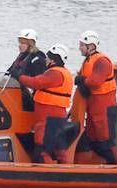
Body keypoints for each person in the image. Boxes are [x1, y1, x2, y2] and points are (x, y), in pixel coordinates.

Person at [19, 43, 75, 162]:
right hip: (57, 116)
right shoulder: (63, 73)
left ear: (54, 60)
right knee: (59, 149)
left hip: (49, 118)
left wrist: (20, 77)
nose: (46, 60)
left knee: (41, 152)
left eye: (48, 58)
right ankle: (66, 174)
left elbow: (36, 83)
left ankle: (51, 176)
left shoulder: (55, 73)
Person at [76, 30, 117, 164]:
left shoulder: (102, 61)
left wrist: (82, 80)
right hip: (93, 105)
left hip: (105, 105)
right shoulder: (88, 61)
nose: (79, 47)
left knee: (106, 139)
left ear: (90, 46)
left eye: (82, 45)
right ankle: (104, 164)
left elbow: (95, 81)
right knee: (92, 138)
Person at [7, 29, 48, 157]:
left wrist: (20, 78)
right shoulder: (21, 56)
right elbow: (9, 72)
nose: (20, 45)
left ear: (31, 43)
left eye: (23, 42)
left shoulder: (38, 58)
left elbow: (37, 81)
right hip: (15, 94)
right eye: (19, 42)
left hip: (30, 97)